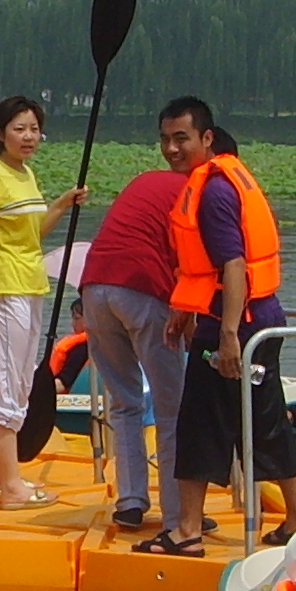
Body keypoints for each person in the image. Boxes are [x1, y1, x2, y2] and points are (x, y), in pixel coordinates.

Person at [136, 101, 296, 555]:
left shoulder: (212, 193)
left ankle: (187, 529)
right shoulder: (226, 181)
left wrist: (228, 335)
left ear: (207, 139)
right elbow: (208, 269)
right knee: (265, 421)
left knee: (200, 425)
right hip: (258, 321)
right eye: (166, 139)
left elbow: (233, 265)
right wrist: (186, 309)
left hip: (237, 329)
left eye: (181, 139)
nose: (171, 148)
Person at [0, 95, 85, 508]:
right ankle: (11, 488)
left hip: (30, 286)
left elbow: (32, 236)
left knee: (23, 382)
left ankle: (1, 477)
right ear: (0, 133)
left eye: (34, 129)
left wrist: (62, 205)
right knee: (6, 383)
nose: (28, 137)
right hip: (2, 288)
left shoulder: (24, 174)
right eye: (20, 128)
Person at [78, 140, 194, 531]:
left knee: (124, 401)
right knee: (171, 408)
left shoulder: (147, 181)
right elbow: (193, 264)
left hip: (94, 286)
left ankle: (130, 500)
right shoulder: (197, 193)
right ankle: (180, 514)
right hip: (141, 287)